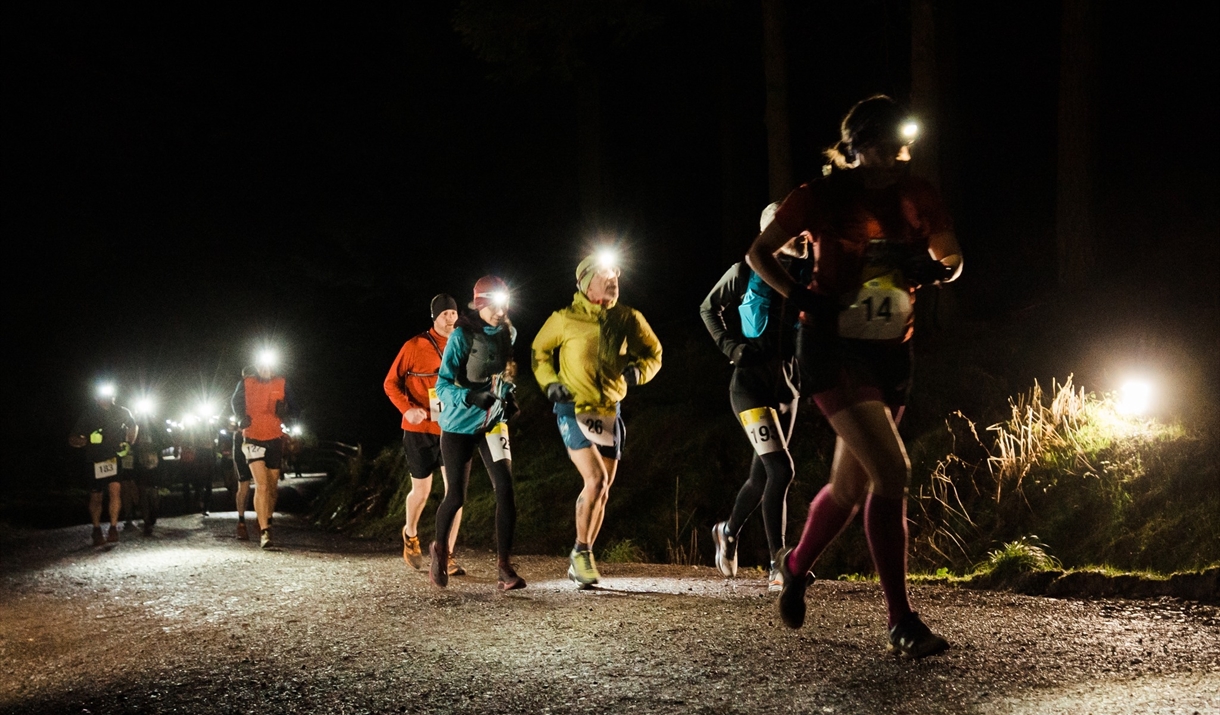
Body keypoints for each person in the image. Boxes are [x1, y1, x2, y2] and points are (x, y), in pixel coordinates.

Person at [745, 95, 962, 658]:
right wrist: (799, 297)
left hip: (892, 354)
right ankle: (901, 621)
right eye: (883, 147)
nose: (895, 157)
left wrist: (935, 270)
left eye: (900, 147)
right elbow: (757, 254)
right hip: (830, 349)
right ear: (857, 148)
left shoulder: (917, 195)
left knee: (850, 487)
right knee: (893, 471)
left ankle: (794, 567)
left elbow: (953, 256)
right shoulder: (817, 198)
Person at [531, 251, 662, 589]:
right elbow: (538, 352)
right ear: (587, 282)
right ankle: (580, 552)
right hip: (573, 408)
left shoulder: (627, 317)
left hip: (609, 410)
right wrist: (550, 384)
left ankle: (583, 554)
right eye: (604, 273)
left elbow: (654, 353)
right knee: (596, 480)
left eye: (616, 273)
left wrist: (639, 372)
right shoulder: (565, 318)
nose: (613, 278)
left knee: (602, 491)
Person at [701, 204, 810, 589]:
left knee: (762, 475)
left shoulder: (806, 273)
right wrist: (731, 348)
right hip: (748, 386)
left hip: (788, 388)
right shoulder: (744, 271)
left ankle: (727, 532)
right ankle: (777, 563)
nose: (801, 237)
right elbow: (708, 308)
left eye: (802, 231)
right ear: (771, 237)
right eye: (791, 232)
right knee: (781, 470)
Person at [430, 276, 524, 590]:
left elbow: (508, 370)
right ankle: (440, 550)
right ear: (481, 303)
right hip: (458, 426)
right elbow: (442, 385)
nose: (501, 310)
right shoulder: (462, 336)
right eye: (494, 304)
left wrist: (509, 397)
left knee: (505, 489)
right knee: (456, 496)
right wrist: (469, 396)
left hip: (494, 423)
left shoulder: (508, 332)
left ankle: (504, 568)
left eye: (505, 303)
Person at [383, 293, 466, 575]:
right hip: (418, 429)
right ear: (435, 317)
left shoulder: (462, 344)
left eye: (453, 314)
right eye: (445, 314)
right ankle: (410, 533)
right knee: (422, 491)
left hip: (452, 429)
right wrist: (407, 410)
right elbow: (390, 383)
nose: (450, 319)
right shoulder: (415, 345)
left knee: (456, 492)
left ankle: (446, 554)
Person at [231, 351, 295, 549]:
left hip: (274, 439)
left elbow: (296, 407)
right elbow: (235, 401)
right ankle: (264, 531)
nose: (265, 370)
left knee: (272, 487)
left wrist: (287, 411)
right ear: (257, 368)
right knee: (262, 485)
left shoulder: (282, 383)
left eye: (269, 367)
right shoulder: (246, 383)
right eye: (261, 366)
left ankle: (267, 519)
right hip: (252, 438)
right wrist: (242, 417)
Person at [68, 383, 138, 546]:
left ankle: (113, 528)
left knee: (115, 490)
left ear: (114, 396)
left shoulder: (122, 411)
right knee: (96, 496)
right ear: (96, 397)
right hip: (95, 459)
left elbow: (133, 425)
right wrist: (83, 441)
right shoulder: (89, 414)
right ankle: (97, 528)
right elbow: (73, 438)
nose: (106, 399)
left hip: (114, 458)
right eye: (102, 395)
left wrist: (129, 442)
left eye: (109, 395)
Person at [231, 367, 256, 540]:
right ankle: (241, 522)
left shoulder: (265, 387)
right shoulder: (242, 387)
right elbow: (234, 401)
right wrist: (241, 418)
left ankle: (265, 523)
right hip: (244, 437)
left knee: (263, 484)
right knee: (244, 483)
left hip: (260, 438)